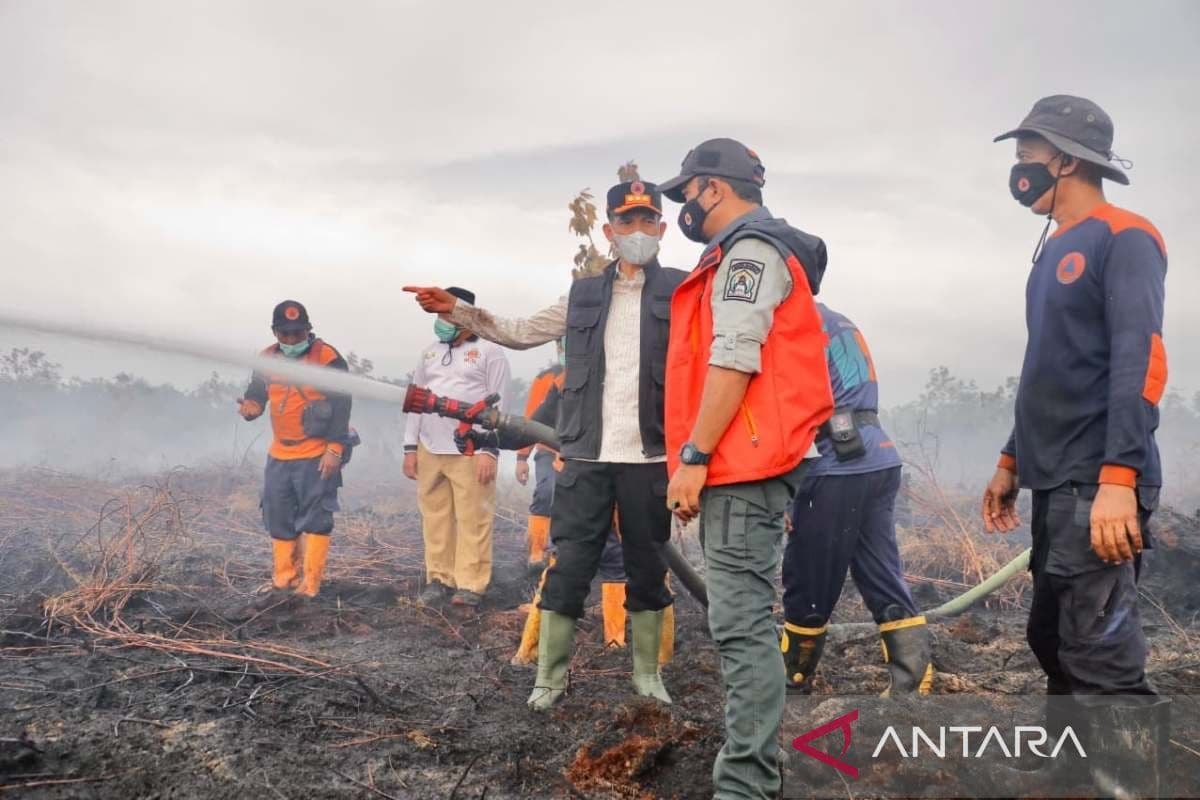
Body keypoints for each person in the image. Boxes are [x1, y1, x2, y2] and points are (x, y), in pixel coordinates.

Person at [404, 180, 684, 710]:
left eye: (648, 221)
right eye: (627, 221)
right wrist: (460, 311)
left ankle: (648, 675)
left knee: (648, 570)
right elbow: (520, 331)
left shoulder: (684, 291)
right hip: (584, 458)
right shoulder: (583, 295)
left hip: (651, 459)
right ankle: (550, 679)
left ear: (662, 229)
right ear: (609, 231)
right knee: (569, 566)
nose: (638, 231)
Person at [981, 95, 1168, 778]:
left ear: (1065, 160)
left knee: (1100, 651)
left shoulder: (1126, 237)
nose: (1019, 170)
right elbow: (1048, 369)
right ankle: (1069, 772)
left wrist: (1119, 479)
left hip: (1098, 478)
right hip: (1054, 477)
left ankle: (1128, 783)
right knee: (1052, 635)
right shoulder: (1053, 248)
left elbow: (1140, 361)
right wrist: (1011, 458)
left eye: (1027, 156)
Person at [658, 139, 833, 800]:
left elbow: (734, 357)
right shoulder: (739, 253)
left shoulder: (749, 253)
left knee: (740, 627)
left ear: (714, 187)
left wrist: (694, 457)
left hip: (741, 466)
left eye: (687, 193)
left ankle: (745, 784)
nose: (684, 207)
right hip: (744, 464)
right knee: (745, 622)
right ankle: (759, 767)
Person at [781, 303, 930, 696]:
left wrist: (785, 491)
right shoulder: (835, 319)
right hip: (877, 457)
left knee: (808, 577)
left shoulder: (791, 319)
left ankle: (793, 681)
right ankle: (913, 684)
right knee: (880, 570)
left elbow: (788, 407)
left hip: (835, 464)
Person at [403, 286, 510, 609]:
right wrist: (410, 448)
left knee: (473, 519)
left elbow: (500, 405)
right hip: (430, 447)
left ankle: (471, 584)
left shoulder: (490, 351)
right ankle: (439, 579)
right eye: (438, 316)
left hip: (470, 449)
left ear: (465, 315)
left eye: (447, 314)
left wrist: (489, 451)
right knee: (435, 518)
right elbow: (414, 401)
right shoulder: (429, 353)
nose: (441, 322)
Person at [237, 300, 352, 599]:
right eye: (284, 334)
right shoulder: (267, 358)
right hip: (280, 453)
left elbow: (342, 406)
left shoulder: (327, 358)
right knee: (278, 514)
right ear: (274, 332)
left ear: (309, 329)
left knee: (316, 518)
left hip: (316, 453)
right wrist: (251, 407)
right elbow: (257, 391)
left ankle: (310, 584)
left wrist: (335, 450)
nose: (291, 340)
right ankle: (284, 579)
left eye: (297, 333)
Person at [515, 346, 563, 569]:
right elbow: (532, 420)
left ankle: (561, 554)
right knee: (546, 492)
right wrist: (522, 457)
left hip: (583, 453)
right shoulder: (546, 378)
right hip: (548, 449)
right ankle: (537, 551)